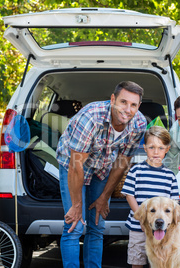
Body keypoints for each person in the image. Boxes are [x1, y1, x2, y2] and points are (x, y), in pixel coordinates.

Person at [56, 81, 147, 268]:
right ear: (113, 99)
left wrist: (104, 197)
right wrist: (76, 205)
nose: (127, 109)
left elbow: (122, 162)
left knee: (97, 226)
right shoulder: (91, 117)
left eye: (133, 105)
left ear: (138, 106)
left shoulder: (138, 123)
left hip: (102, 167)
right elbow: (76, 165)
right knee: (75, 225)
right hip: (72, 164)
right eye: (123, 102)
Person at [121, 126, 179, 268]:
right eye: (152, 147)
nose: (156, 152)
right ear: (145, 148)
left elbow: (174, 203)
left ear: (167, 149)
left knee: (161, 261)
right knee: (137, 260)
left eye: (160, 148)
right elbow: (129, 195)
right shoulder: (136, 170)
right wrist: (142, 218)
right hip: (138, 226)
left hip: (161, 229)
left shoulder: (169, 176)